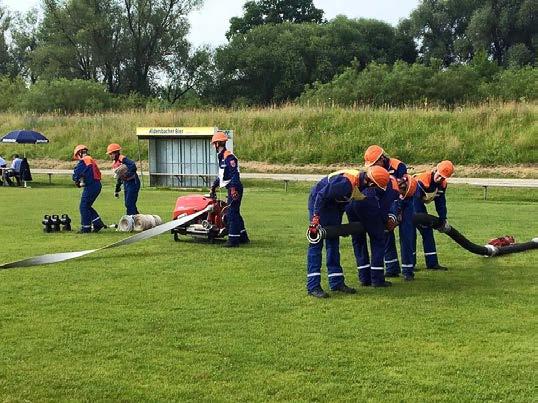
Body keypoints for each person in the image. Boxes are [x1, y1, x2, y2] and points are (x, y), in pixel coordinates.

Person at [307, 166, 390, 298]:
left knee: (333, 242)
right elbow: (321, 195)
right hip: (320, 202)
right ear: (371, 182)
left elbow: (342, 201)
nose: (374, 190)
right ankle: (313, 286)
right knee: (316, 241)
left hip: (333, 206)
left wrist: (340, 228)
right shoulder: (346, 183)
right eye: (375, 187)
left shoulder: (360, 183)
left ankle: (336, 282)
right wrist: (315, 218)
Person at [413, 160, 455, 270]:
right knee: (410, 234)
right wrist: (422, 218)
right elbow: (415, 201)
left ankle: (432, 264)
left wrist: (443, 218)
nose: (440, 179)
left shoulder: (442, 184)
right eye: (439, 175)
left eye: (443, 177)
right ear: (435, 170)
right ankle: (409, 265)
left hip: (418, 204)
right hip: (408, 204)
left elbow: (440, 202)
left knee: (427, 231)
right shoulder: (422, 180)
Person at [210, 131, 249, 247]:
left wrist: (233, 189)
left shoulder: (229, 157)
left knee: (231, 213)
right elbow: (222, 176)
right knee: (235, 213)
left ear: (217, 144)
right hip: (231, 187)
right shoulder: (222, 157)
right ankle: (243, 236)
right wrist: (213, 186)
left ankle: (233, 240)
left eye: (214, 144)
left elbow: (234, 175)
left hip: (234, 188)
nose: (213, 147)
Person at [381, 174, 418, 281]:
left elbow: (397, 204)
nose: (401, 194)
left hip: (402, 207)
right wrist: (391, 218)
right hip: (388, 206)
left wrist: (394, 218)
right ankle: (392, 268)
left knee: (407, 236)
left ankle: (407, 271)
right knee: (387, 235)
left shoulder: (402, 193)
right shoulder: (391, 186)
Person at [72, 145, 105, 233]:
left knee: (83, 206)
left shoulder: (84, 161)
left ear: (79, 153)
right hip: (96, 184)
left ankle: (86, 227)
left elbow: (77, 172)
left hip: (91, 186)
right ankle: (97, 223)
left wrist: (76, 180)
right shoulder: (90, 160)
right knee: (87, 206)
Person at [106, 143, 140, 215]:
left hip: (133, 182)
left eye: (111, 154)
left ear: (116, 152)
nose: (110, 156)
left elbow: (133, 166)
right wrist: (117, 190)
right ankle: (139, 219)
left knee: (129, 203)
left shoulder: (122, 159)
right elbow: (119, 177)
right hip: (126, 183)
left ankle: (130, 220)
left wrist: (128, 173)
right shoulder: (115, 163)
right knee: (128, 204)